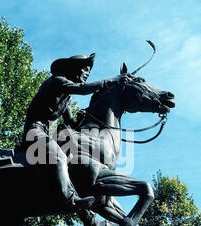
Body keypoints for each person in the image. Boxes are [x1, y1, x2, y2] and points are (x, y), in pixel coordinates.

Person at [21, 53, 132, 211]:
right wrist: (112, 81)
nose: (87, 73)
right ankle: (69, 199)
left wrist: (81, 119)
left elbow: (70, 122)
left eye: (89, 70)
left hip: (46, 134)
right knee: (58, 156)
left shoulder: (66, 98)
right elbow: (81, 89)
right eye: (84, 69)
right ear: (73, 69)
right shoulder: (57, 81)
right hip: (34, 131)